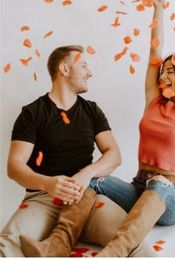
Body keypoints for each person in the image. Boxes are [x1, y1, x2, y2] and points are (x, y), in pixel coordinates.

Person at [19, 0, 175, 257]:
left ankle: (114, 253)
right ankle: (56, 244)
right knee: (91, 177)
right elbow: (154, 54)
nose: (164, 76)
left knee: (161, 183)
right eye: (163, 72)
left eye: (171, 72)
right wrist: (157, 9)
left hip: (170, 196)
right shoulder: (153, 101)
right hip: (139, 187)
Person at [0, 45, 123, 257]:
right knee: (8, 244)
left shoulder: (91, 110)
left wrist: (86, 174)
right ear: (64, 70)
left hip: (86, 197)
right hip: (43, 198)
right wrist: (48, 183)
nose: (90, 73)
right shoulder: (32, 113)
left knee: (132, 239)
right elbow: (14, 166)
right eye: (83, 66)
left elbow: (114, 154)